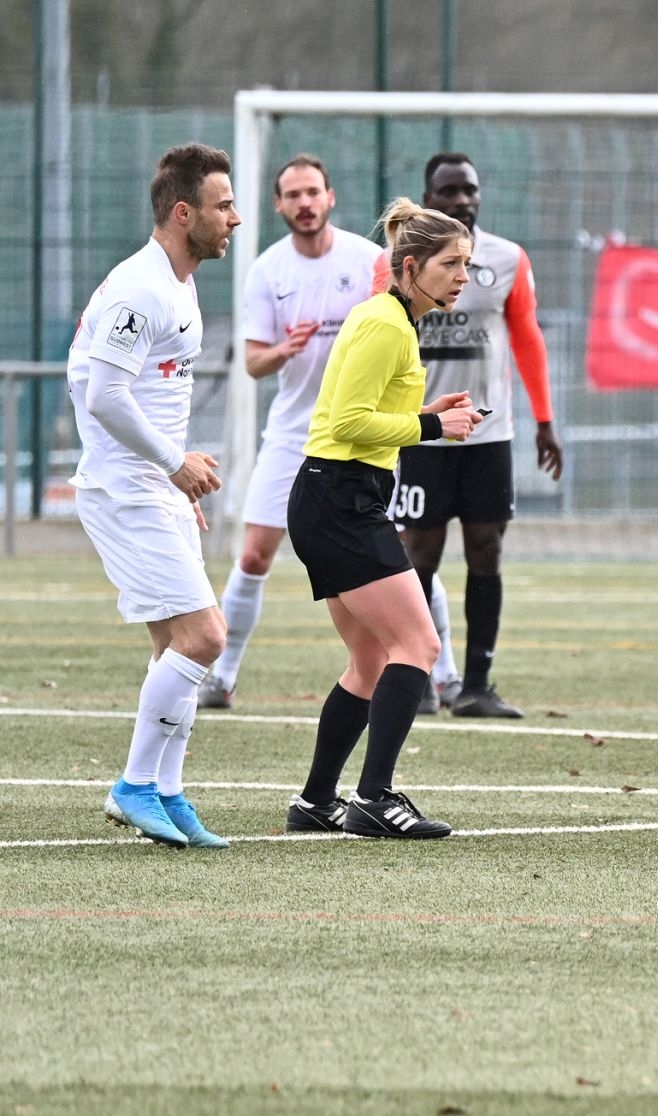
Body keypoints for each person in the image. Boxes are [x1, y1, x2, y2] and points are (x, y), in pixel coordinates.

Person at [285, 198, 483, 839]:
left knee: (371, 660)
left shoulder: (391, 318)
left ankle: (316, 801)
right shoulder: (386, 324)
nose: (463, 276)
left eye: (467, 264)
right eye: (451, 263)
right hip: (340, 498)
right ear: (411, 265)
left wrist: (427, 412)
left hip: (336, 497)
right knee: (420, 646)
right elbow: (348, 423)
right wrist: (432, 426)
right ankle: (374, 798)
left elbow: (364, 413)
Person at [68, 142, 240, 849]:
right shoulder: (141, 287)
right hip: (125, 488)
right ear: (183, 213)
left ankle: (167, 792)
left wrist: (177, 484)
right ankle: (134, 786)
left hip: (154, 487)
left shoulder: (180, 281)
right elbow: (103, 395)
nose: (234, 218)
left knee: (177, 645)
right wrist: (173, 465)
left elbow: (152, 394)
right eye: (223, 206)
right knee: (207, 637)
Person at [371, 153, 561, 718]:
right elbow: (379, 338)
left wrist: (545, 421)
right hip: (423, 432)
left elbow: (526, 338)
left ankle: (477, 684)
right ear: (428, 199)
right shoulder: (395, 263)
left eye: (470, 190)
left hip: (488, 432)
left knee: (486, 549)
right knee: (420, 552)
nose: (462, 201)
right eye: (449, 192)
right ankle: (415, 679)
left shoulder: (507, 259)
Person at [199, 154, 385, 708]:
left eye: (313, 192)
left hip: (360, 431)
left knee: (398, 549)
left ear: (330, 198)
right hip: (291, 436)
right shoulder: (267, 270)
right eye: (294, 195)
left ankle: (439, 674)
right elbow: (254, 363)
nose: (305, 203)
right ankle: (222, 677)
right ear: (279, 205)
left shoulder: (369, 260)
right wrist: (286, 348)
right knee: (255, 553)